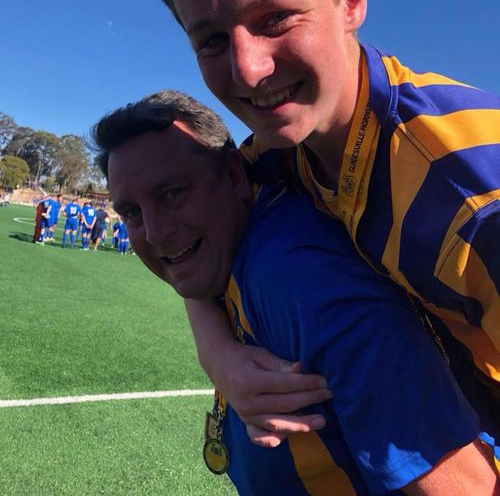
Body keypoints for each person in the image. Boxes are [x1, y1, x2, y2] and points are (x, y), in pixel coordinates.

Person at [121, 0, 500, 441]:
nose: (248, 70)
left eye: (275, 19)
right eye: (212, 40)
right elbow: (187, 248)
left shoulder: (473, 196)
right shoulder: (280, 152)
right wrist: (216, 353)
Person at [91, 90, 499, 494]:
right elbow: (190, 268)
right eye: (131, 213)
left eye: (173, 194)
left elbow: (469, 487)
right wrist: (215, 351)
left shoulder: (306, 283)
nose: (156, 233)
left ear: (235, 176)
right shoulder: (231, 247)